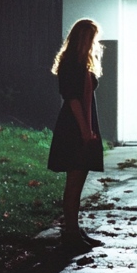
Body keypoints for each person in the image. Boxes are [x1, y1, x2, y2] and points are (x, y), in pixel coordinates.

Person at [47, 18, 105, 250]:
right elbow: (73, 100)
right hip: (74, 127)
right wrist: (85, 131)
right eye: (90, 38)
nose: (93, 43)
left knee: (78, 181)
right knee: (73, 182)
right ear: (82, 38)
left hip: (82, 126)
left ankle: (74, 229)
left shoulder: (82, 64)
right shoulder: (70, 64)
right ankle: (70, 233)